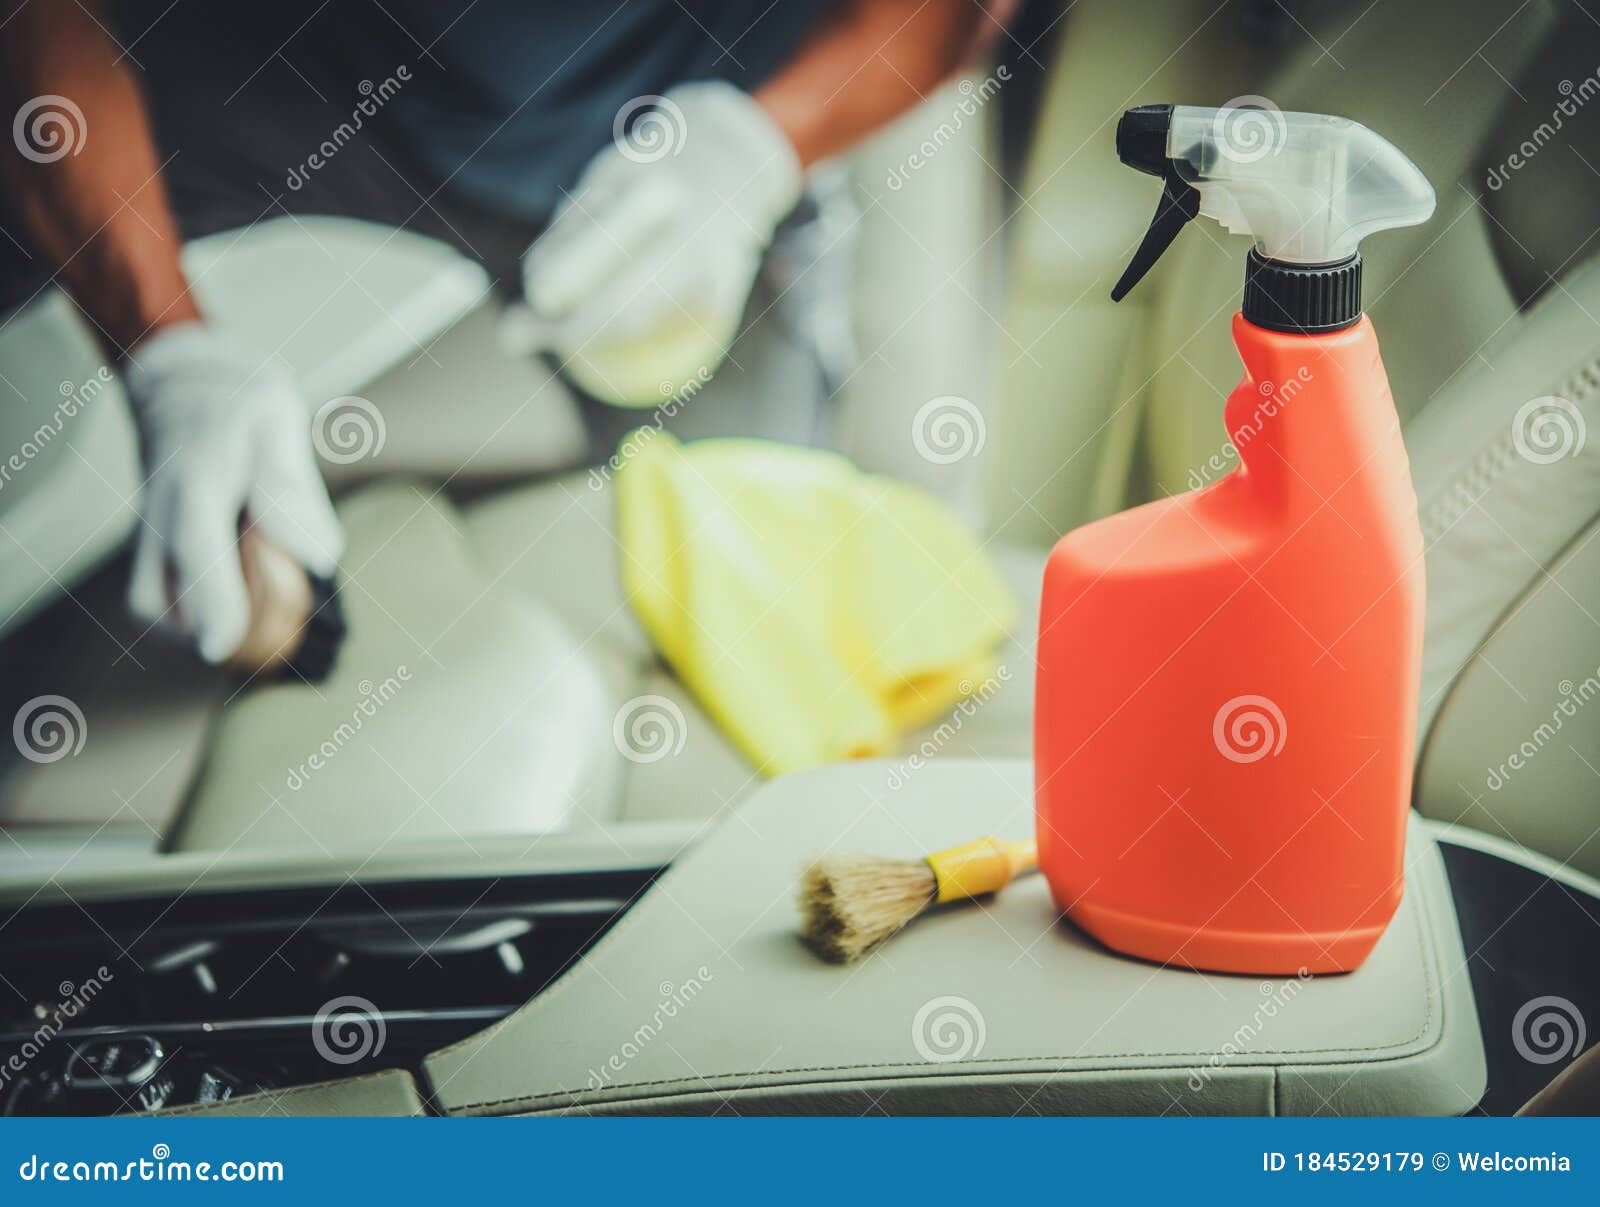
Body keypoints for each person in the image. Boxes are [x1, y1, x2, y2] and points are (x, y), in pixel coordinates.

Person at [0, 0, 1009, 664]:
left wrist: (763, 146)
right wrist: (165, 345)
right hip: (315, 81)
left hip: (691, 133)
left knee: (769, 582)